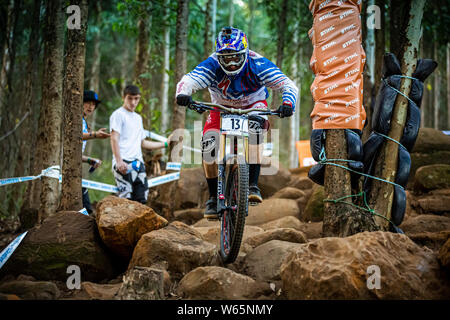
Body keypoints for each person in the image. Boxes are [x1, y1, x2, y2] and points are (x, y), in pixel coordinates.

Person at [175, 26, 298, 219]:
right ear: (219, 56)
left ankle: (252, 185)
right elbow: (189, 80)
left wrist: (287, 103)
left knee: (255, 130)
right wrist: (183, 94)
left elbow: (287, 84)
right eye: (226, 59)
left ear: (245, 54)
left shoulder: (258, 64)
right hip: (220, 106)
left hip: (253, 104)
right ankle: (214, 197)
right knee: (209, 146)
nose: (231, 64)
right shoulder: (212, 64)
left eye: (236, 58)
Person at [110, 84, 174, 204]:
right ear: (123, 97)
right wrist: (119, 161)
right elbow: (114, 139)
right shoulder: (118, 115)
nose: (133, 102)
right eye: (130, 98)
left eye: (136, 99)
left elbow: (143, 143)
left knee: (141, 200)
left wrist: (165, 144)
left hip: (138, 164)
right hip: (123, 162)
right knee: (126, 200)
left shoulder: (138, 118)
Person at [81, 90, 111, 214]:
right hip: (59, 167)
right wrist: (95, 134)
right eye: (87, 103)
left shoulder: (84, 122)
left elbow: (74, 153)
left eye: (93, 104)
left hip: (71, 168)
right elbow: (74, 136)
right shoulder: (75, 119)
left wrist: (89, 160)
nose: (90, 106)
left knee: (84, 197)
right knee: (86, 204)